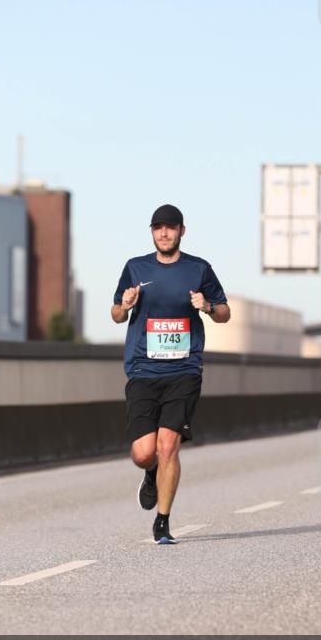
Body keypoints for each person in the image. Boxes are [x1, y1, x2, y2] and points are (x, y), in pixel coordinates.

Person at [111, 204, 230, 545]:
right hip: (143, 370)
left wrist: (206, 306)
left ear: (182, 231)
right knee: (143, 453)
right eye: (158, 228)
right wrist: (126, 304)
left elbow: (224, 312)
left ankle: (162, 521)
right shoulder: (135, 268)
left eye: (170, 228)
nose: (164, 233)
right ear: (152, 232)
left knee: (168, 448)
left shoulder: (198, 269)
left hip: (184, 370)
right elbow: (116, 314)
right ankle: (151, 474)